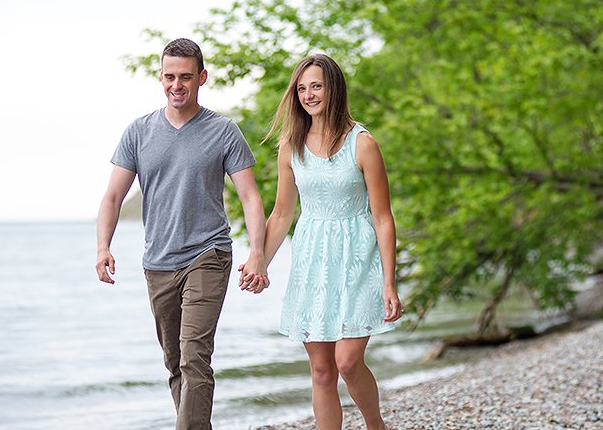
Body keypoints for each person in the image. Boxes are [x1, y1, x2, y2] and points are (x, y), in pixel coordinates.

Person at [96, 38, 267, 430]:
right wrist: (103, 247)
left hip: (209, 254)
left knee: (194, 356)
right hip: (158, 263)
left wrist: (256, 253)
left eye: (186, 77)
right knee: (175, 363)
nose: (177, 84)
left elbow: (250, 198)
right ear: (161, 78)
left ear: (202, 77)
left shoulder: (223, 131)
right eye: (170, 76)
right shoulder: (138, 133)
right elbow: (112, 197)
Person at [239, 54, 403, 430]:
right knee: (322, 370)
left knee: (347, 361)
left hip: (358, 260)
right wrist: (258, 258)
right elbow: (282, 214)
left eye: (316, 86)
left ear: (334, 89)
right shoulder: (290, 147)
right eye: (301, 88)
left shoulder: (362, 143)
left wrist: (390, 282)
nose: (309, 95)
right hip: (313, 261)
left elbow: (382, 217)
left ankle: (376, 425)